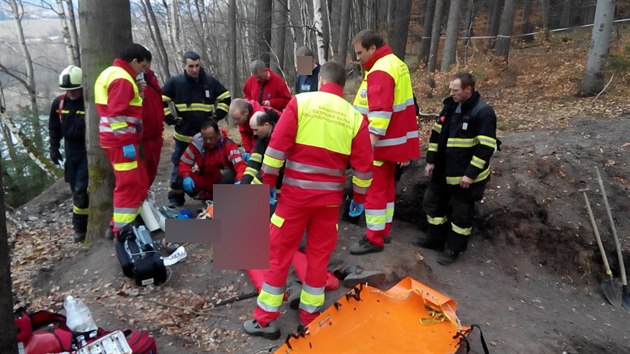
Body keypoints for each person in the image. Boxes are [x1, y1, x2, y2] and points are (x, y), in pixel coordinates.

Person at [243, 61, 373, 339]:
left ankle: (265, 320)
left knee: (278, 253)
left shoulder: (301, 103)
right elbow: (363, 168)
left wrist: (267, 182)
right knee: (318, 256)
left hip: (294, 199)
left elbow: (276, 149)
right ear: (343, 85)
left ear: (321, 79)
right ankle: (310, 317)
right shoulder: (354, 117)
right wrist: (359, 198)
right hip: (328, 204)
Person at [348, 29, 421, 256]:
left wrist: (365, 148)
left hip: (379, 145)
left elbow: (379, 116)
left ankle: (374, 238)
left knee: (374, 191)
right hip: (393, 143)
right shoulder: (395, 63)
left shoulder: (380, 70)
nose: (357, 57)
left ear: (372, 48)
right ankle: (384, 230)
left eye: (360, 52)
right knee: (387, 189)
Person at [416, 72, 498, 266]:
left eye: (455, 90)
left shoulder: (483, 112)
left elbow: (486, 147)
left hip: (465, 175)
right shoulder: (449, 107)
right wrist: (430, 161)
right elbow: (436, 136)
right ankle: (435, 239)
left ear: (468, 89)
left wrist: (471, 174)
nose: (451, 93)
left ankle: (453, 248)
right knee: (431, 202)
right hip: (443, 170)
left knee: (461, 214)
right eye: (451, 89)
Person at [95, 43, 151, 236]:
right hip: (120, 141)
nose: (144, 71)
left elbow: (126, 107)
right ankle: (121, 228)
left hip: (117, 139)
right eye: (143, 67)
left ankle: (127, 221)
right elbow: (117, 114)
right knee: (129, 183)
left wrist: (139, 91)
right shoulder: (122, 79)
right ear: (134, 61)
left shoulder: (115, 74)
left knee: (139, 180)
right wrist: (126, 141)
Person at [162, 51, 231, 207]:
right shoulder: (175, 83)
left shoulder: (209, 82)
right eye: (191, 66)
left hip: (205, 136)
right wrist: (171, 119)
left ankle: (210, 194)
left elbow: (226, 97)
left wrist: (216, 116)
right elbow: (160, 101)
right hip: (183, 136)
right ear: (183, 66)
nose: (195, 69)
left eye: (197, 66)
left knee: (210, 165)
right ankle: (175, 197)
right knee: (179, 165)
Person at [48, 65, 88, 242]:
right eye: (68, 90)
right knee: (75, 189)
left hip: (87, 151)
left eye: (74, 89)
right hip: (70, 152)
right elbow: (54, 127)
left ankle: (80, 228)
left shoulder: (89, 103)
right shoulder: (59, 103)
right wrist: (54, 148)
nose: (71, 93)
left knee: (81, 189)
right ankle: (82, 221)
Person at [178, 120, 246, 200]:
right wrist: (186, 176)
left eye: (211, 138)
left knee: (228, 175)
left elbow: (240, 165)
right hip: (206, 179)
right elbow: (184, 163)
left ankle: (222, 198)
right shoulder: (197, 144)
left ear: (218, 135)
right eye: (205, 138)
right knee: (181, 179)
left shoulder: (228, 145)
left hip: (223, 180)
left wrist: (240, 180)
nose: (208, 141)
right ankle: (210, 198)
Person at [138, 58, 164, 187]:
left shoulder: (152, 79)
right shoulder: (133, 80)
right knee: (140, 176)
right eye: (143, 62)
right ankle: (142, 203)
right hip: (142, 137)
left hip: (156, 135)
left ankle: (146, 201)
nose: (147, 65)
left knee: (151, 173)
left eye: (148, 61)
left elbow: (160, 102)